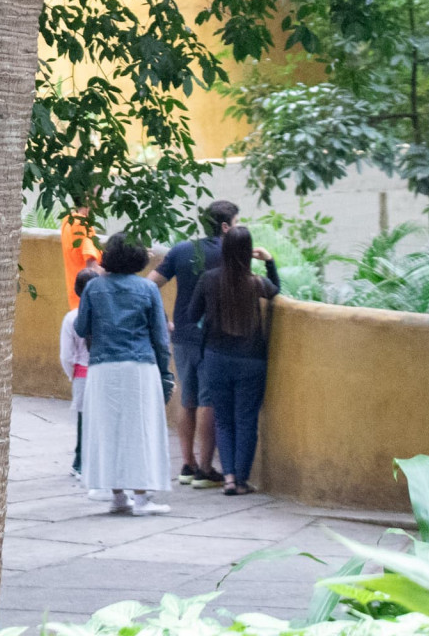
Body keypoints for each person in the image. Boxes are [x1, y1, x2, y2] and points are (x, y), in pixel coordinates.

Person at [73, 231, 174, 516]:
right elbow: (159, 336)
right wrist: (165, 373)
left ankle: (117, 495)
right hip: (139, 367)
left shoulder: (94, 288)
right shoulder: (147, 289)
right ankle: (142, 497)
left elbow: (81, 328)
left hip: (103, 367)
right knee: (140, 430)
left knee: (108, 429)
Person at [148, 199, 239, 486]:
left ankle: (186, 464)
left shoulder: (182, 250)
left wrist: (163, 320)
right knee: (208, 401)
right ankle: (205, 468)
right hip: (216, 337)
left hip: (183, 334)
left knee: (187, 398)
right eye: (236, 224)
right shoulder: (231, 253)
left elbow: (149, 285)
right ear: (225, 226)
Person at [186, 225, 281, 495]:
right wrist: (270, 262)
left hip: (216, 358)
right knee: (246, 420)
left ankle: (227, 477)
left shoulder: (208, 279)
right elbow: (276, 291)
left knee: (223, 420)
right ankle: (240, 480)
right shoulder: (256, 283)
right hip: (252, 361)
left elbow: (192, 316)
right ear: (248, 252)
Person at [59, 264, 103, 481]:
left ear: (76, 290)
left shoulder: (71, 318)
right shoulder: (105, 314)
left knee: (83, 420)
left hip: (82, 374)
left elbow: (66, 355)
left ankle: (80, 463)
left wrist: (72, 374)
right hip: (103, 371)